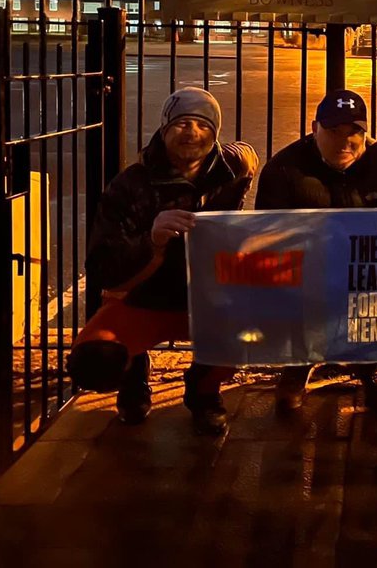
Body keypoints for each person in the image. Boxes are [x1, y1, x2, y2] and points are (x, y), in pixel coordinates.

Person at [66, 87, 258, 435]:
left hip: (206, 301)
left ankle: (204, 391)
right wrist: (150, 242)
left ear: (215, 132)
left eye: (203, 125)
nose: (192, 133)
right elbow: (101, 269)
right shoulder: (131, 185)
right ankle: (132, 373)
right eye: (182, 123)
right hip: (144, 300)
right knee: (93, 361)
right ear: (164, 128)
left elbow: (247, 160)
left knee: (255, 333)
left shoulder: (230, 172)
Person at [255, 89, 377, 413]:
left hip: (367, 269)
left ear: (365, 133)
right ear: (315, 128)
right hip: (307, 271)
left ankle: (370, 362)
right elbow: (268, 232)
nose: (344, 141)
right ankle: (298, 364)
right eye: (333, 132)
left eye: (354, 132)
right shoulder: (284, 169)